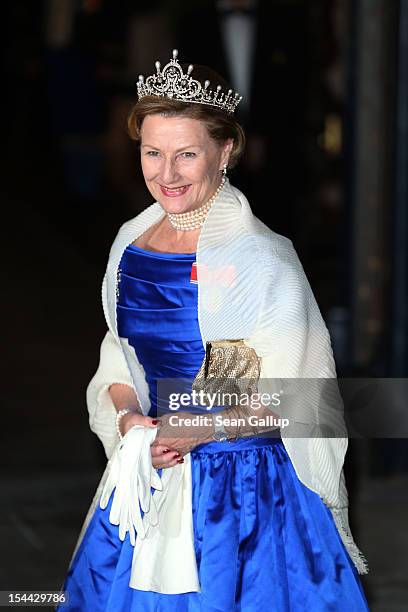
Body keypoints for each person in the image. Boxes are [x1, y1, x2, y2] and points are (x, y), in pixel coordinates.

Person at [57, 50, 370, 611]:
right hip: (150, 474)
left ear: (225, 152)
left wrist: (201, 431)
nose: (166, 174)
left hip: (247, 497)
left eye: (186, 155)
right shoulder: (130, 245)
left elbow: (304, 397)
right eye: (153, 153)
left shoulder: (263, 259)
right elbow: (118, 360)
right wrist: (131, 420)